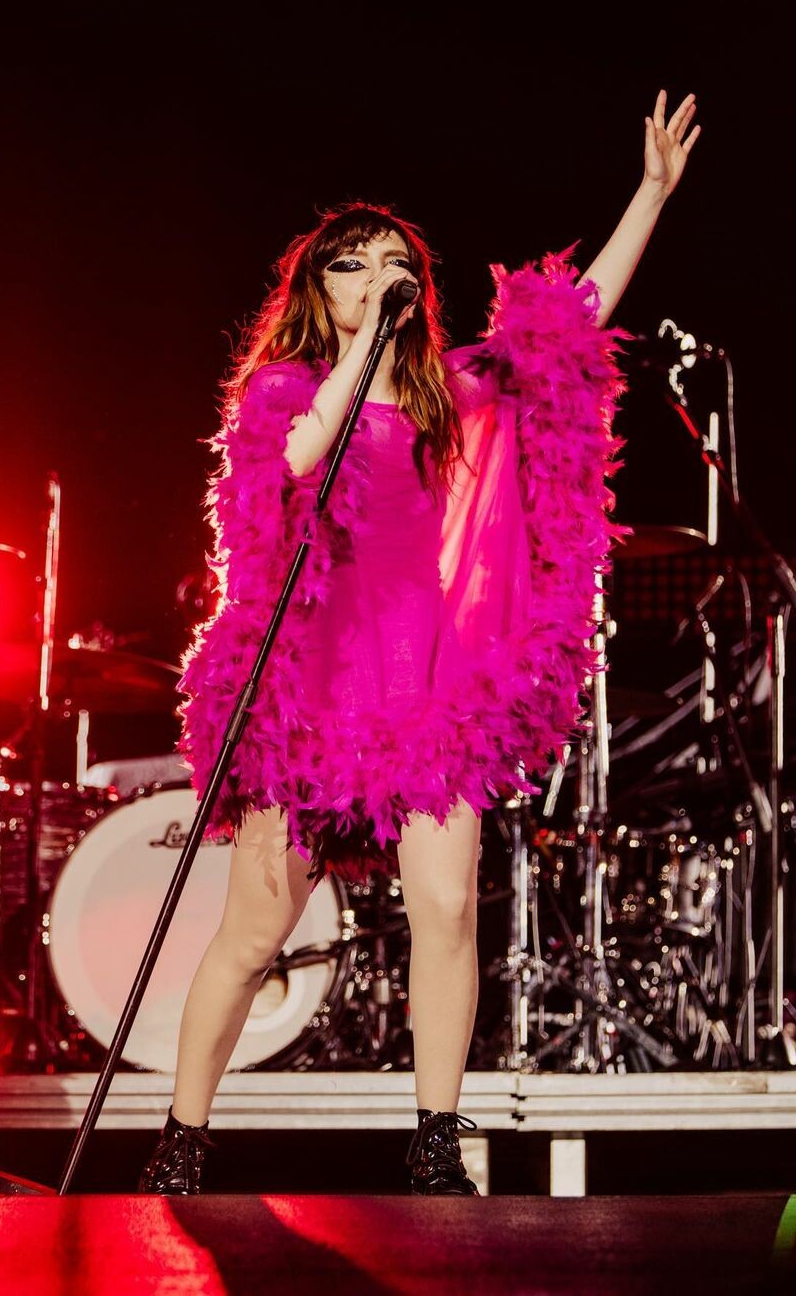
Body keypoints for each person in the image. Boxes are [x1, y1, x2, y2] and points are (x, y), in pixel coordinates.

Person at [139, 90, 701, 1196]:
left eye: (393, 262)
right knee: (254, 932)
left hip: (428, 687)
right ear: (319, 290)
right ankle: (181, 1141)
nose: (375, 275)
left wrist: (648, 196)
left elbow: (572, 323)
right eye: (351, 264)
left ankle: (437, 1140)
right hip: (311, 691)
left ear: (419, 286)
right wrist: (365, 343)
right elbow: (295, 459)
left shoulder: (453, 395)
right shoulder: (287, 387)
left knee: (446, 908)